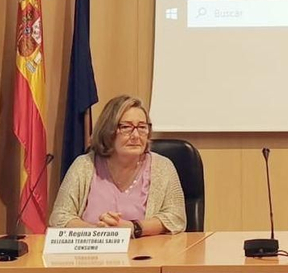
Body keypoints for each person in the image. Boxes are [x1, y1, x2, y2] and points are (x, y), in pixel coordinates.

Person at [49, 95, 186, 236]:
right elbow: (59, 217)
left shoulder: (163, 167)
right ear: (108, 131)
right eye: (126, 127)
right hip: (94, 248)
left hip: (146, 249)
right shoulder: (84, 165)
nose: (136, 135)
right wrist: (97, 232)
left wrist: (133, 228)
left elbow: (176, 218)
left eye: (142, 127)